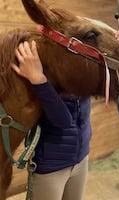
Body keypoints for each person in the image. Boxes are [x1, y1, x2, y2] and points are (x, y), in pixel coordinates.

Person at [11, 40, 91, 200]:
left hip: (81, 158)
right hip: (51, 167)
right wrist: (38, 80)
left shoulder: (80, 74)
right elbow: (63, 121)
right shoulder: (46, 78)